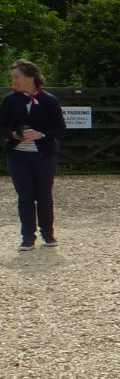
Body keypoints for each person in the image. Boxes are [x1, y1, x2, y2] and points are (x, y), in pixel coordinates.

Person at [3, 60, 67, 250]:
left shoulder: (49, 100)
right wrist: (13, 135)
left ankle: (48, 234)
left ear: (30, 76)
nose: (13, 80)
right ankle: (27, 237)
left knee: (44, 195)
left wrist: (42, 134)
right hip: (18, 155)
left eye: (17, 77)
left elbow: (60, 128)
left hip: (44, 154)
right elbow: (2, 126)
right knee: (25, 196)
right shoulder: (9, 100)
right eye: (12, 77)